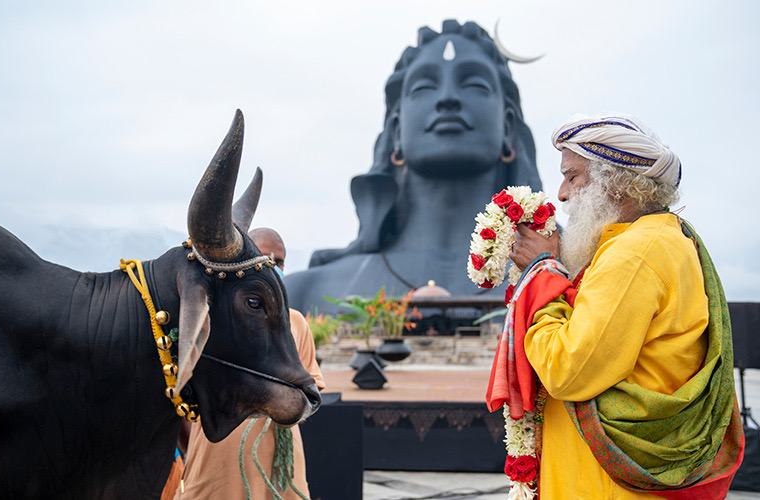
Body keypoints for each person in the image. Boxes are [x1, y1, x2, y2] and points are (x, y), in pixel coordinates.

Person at [501, 112, 743, 498]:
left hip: (602, 485)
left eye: (572, 176)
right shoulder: (663, 238)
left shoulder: (633, 255)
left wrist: (541, 271)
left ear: (616, 183)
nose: (561, 194)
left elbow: (567, 369)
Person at [285, 19, 543, 315]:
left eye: (474, 84)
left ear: (508, 127)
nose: (447, 98)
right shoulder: (302, 295)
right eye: (423, 87)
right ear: (396, 130)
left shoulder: (566, 280)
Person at [176, 228, 326, 500]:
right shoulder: (208, 322)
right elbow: (180, 400)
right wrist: (194, 446)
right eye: (261, 256)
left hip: (281, 461)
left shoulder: (296, 323)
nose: (271, 265)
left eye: (278, 261)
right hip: (218, 458)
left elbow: (309, 390)